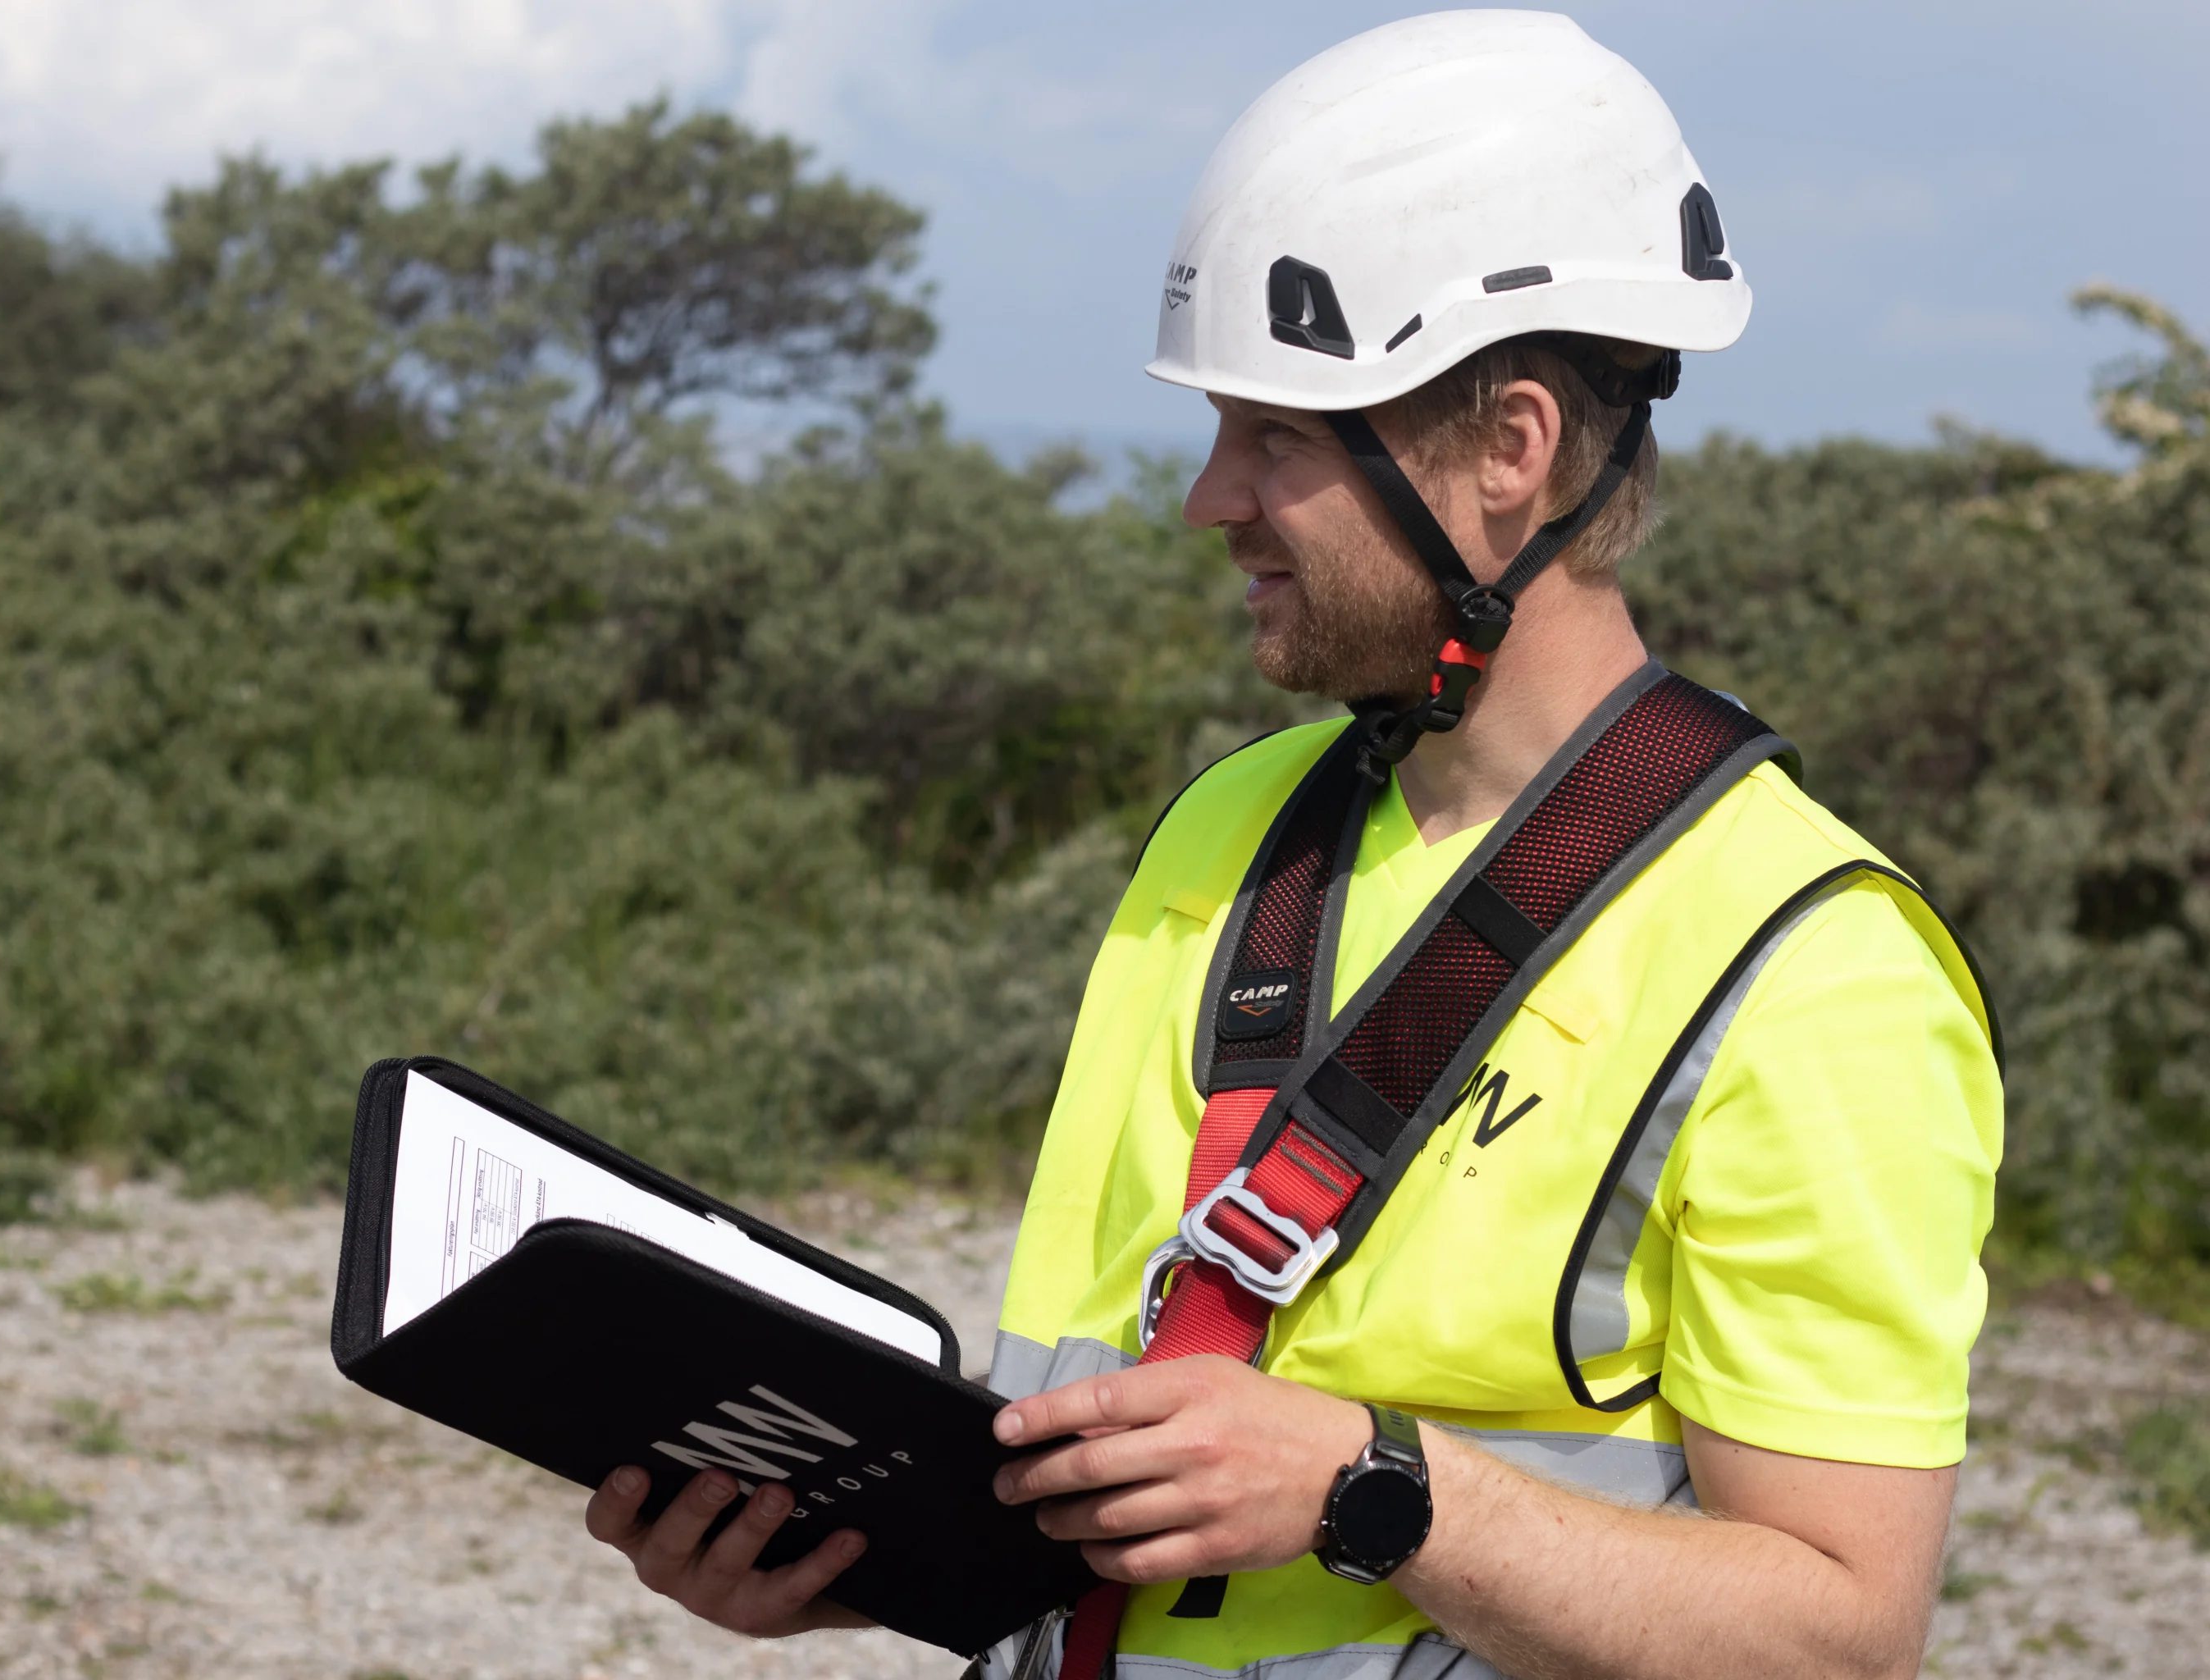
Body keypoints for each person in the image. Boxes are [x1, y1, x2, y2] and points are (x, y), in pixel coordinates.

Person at [582, 12, 2002, 1679]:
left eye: (1281, 438)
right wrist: (867, 1548)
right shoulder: (1231, 825)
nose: (1210, 499)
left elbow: (1841, 1637)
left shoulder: (1813, 968)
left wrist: (1370, 1494)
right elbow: (1115, 1431)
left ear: (1511, 450)